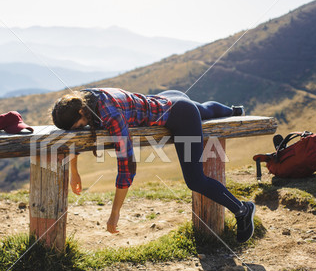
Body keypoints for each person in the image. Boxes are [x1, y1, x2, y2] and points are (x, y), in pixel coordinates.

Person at [51, 88, 256, 243]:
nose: (82, 128)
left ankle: (242, 210)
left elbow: (127, 165)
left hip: (180, 115)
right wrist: (74, 172)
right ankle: (233, 110)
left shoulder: (111, 115)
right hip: (168, 98)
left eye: (79, 125)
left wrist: (114, 213)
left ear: (80, 111)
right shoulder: (86, 98)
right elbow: (76, 136)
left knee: (195, 180)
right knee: (201, 109)